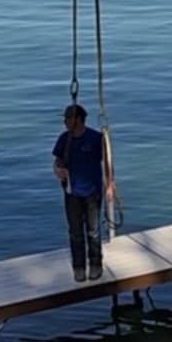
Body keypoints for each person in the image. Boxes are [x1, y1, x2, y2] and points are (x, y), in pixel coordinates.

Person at [53, 103, 107, 282]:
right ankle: (79, 266)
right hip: (71, 192)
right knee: (75, 231)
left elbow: (107, 161)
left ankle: (96, 263)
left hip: (92, 192)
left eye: (68, 118)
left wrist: (111, 184)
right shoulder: (64, 139)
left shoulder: (95, 138)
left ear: (78, 120)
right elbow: (58, 160)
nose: (65, 122)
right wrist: (58, 170)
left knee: (93, 230)